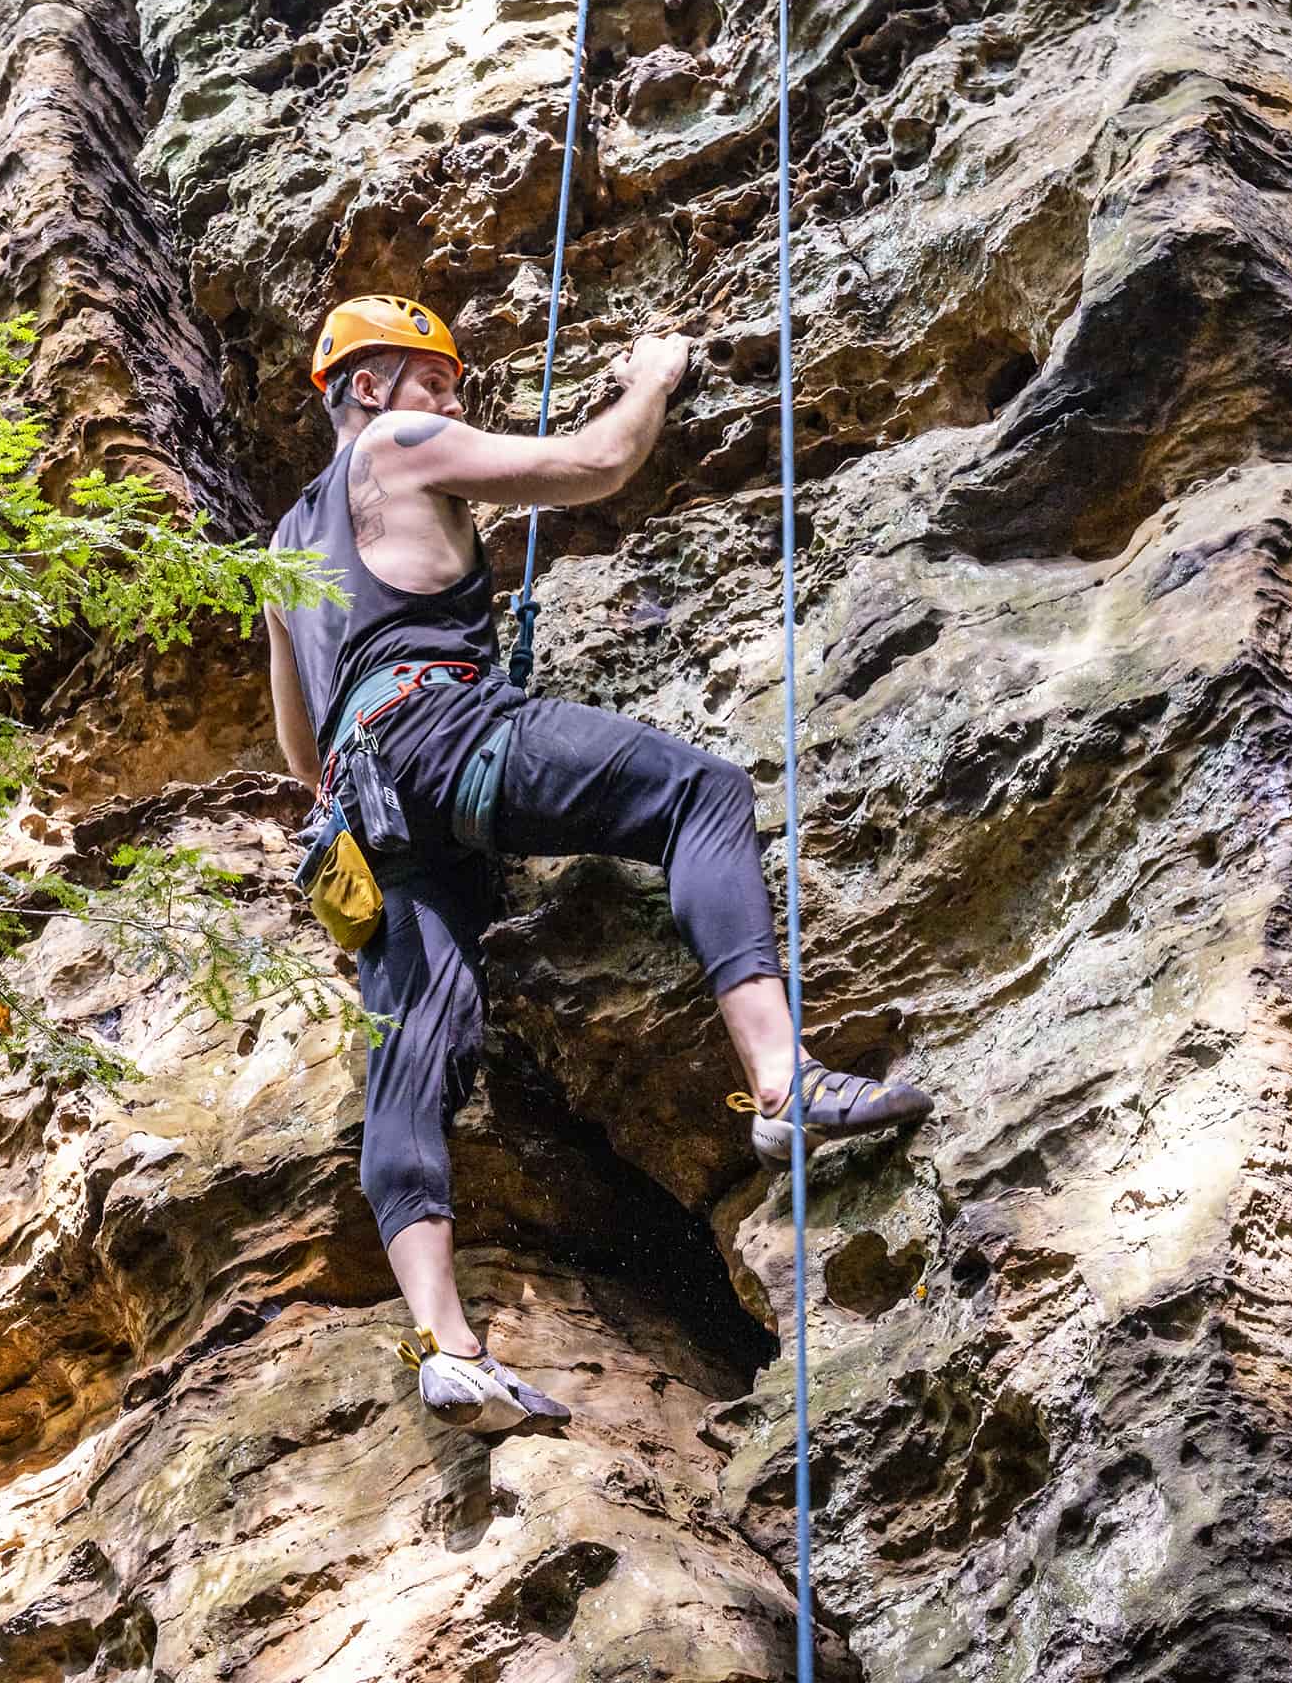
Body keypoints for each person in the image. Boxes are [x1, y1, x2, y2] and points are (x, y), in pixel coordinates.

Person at [262, 294, 935, 1436]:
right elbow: (594, 462)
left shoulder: (283, 543)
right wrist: (654, 373)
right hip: (445, 730)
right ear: (368, 389)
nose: (454, 399)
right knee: (699, 792)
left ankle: (448, 1343)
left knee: (414, 1050)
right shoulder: (398, 444)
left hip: (362, 811)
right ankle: (783, 1083)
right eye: (437, 378)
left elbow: (295, 741)